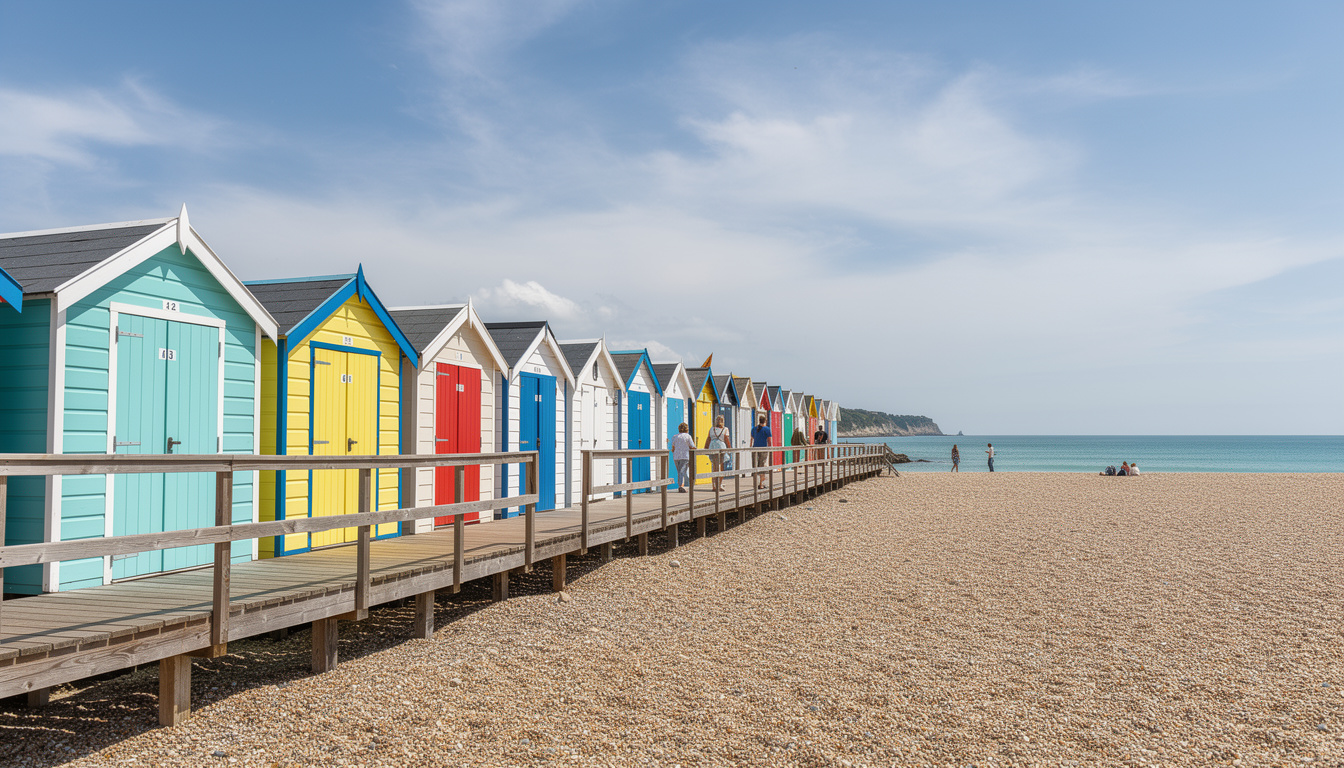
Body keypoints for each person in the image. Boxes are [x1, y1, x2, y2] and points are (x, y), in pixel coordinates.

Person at [705, 415, 731, 492]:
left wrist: (705, 449)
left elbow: (708, 439)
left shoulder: (711, 429)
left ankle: (714, 485)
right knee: (721, 466)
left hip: (712, 447)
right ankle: (719, 484)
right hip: (721, 448)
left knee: (714, 467)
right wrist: (729, 449)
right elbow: (726, 440)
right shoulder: (725, 429)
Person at [668, 423, 695, 492]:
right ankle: (681, 486)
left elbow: (673, 447)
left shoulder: (674, 437)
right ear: (687, 429)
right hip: (685, 456)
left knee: (679, 471)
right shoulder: (688, 436)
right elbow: (692, 446)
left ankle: (681, 485)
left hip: (676, 456)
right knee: (682, 471)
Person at [750, 415, 772, 489]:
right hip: (763, 449)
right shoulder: (767, 429)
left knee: (755, 466)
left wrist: (750, 447)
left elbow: (752, 438)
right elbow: (769, 440)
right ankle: (761, 483)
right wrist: (770, 449)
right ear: (765, 421)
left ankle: (755, 483)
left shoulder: (754, 428)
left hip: (755, 449)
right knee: (762, 465)